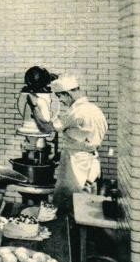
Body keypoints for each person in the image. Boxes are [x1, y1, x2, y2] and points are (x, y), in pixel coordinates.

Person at [30, 75, 108, 210]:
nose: (60, 101)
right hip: (92, 161)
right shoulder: (95, 110)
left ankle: (63, 229)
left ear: (67, 94)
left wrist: (34, 107)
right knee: (86, 203)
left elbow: (46, 127)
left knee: (67, 202)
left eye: (59, 96)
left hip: (76, 163)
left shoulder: (76, 112)